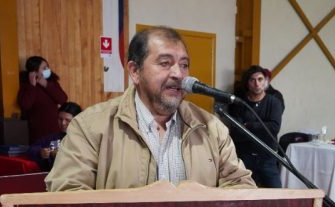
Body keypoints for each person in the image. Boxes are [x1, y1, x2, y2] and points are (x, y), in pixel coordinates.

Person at [46, 26, 254, 191]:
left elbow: (241, 185)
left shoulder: (211, 127)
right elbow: (66, 192)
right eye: (165, 63)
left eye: (184, 65)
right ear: (135, 71)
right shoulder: (89, 126)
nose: (179, 75)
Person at [227, 65, 284, 188]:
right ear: (247, 83)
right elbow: (236, 132)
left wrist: (248, 125)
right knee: (243, 196)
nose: (257, 83)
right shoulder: (239, 103)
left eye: (260, 79)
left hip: (267, 158)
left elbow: (274, 128)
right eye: (252, 80)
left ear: (265, 81)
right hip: (244, 158)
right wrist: (262, 128)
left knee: (276, 196)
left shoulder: (274, 102)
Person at [18, 56, 69, 143]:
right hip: (37, 131)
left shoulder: (52, 82)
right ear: (34, 71)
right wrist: (32, 86)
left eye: (47, 67)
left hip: (54, 128)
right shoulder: (26, 85)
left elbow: (63, 99)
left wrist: (46, 85)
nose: (47, 69)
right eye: (44, 68)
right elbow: (25, 105)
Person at [27, 101, 82, 171]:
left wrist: (62, 155)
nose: (63, 123)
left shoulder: (84, 139)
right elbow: (31, 149)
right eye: (60, 119)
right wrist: (40, 152)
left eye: (67, 120)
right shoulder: (53, 138)